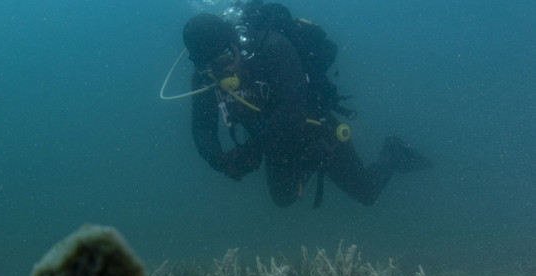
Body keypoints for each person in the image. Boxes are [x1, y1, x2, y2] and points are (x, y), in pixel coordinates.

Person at [181, 3, 432, 207]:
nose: (221, 70)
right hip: (274, 143)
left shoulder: (272, 47)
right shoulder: (205, 77)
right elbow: (202, 128)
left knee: (367, 193)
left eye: (224, 58)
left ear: (236, 41)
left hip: (315, 132)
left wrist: (252, 150)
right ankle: (305, 166)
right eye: (209, 64)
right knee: (283, 200)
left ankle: (392, 152)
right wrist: (220, 160)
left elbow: (294, 106)